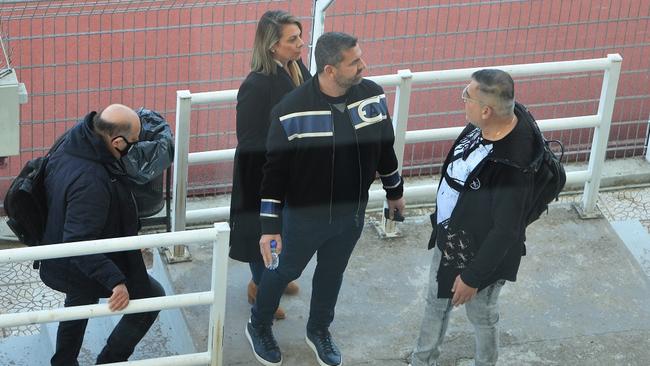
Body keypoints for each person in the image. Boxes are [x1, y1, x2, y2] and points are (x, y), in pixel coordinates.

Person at [245, 32, 406, 366]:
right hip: (303, 218)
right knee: (281, 271)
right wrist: (269, 227)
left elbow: (384, 147)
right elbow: (273, 175)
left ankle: (318, 330)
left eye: (361, 58)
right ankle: (258, 325)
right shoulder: (289, 112)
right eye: (355, 62)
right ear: (331, 70)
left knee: (332, 272)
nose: (364, 65)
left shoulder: (372, 96)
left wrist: (395, 192)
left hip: (351, 215)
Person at [410, 69, 537, 366]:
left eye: (466, 96)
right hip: (454, 237)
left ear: (487, 110)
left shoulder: (512, 167)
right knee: (436, 302)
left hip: (479, 251)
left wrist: (472, 277)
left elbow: (506, 231)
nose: (462, 100)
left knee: (481, 314)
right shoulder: (485, 123)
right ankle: (423, 359)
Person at [39, 104, 165, 365]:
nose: (135, 148)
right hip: (85, 258)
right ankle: (109, 360)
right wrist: (116, 281)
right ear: (117, 141)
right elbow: (78, 242)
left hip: (64, 254)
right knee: (150, 297)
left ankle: (63, 361)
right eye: (133, 143)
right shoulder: (91, 180)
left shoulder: (74, 140)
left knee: (78, 303)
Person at [229, 10, 311, 320]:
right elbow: (249, 140)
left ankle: (267, 279)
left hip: (288, 172)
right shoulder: (256, 85)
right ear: (272, 45)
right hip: (262, 175)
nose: (301, 43)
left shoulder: (295, 68)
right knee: (262, 234)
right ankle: (261, 287)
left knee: (285, 230)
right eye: (293, 39)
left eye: (299, 36)